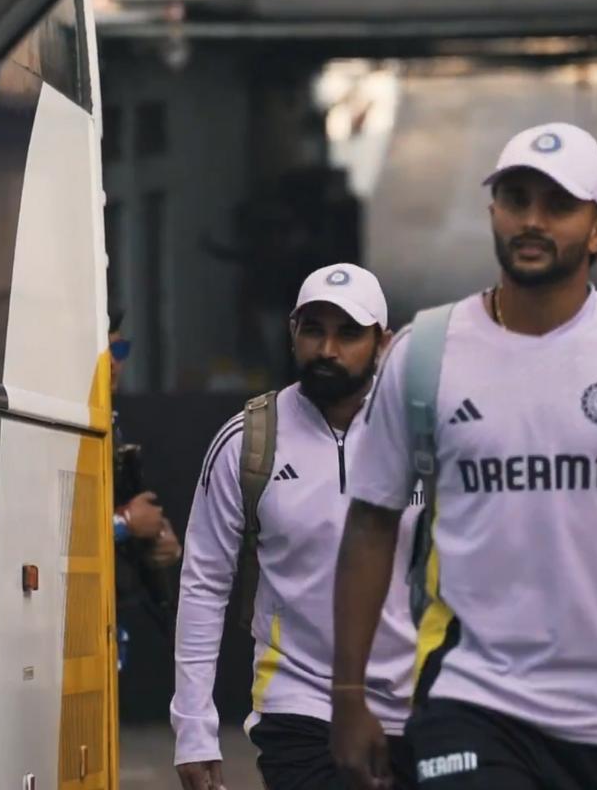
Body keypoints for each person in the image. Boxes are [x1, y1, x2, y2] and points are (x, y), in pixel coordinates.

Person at [331, 122, 597, 790]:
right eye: (516, 198)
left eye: (558, 205)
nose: (532, 220)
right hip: (467, 697)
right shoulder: (425, 354)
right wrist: (347, 692)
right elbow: (369, 524)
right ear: (493, 213)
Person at [172, 265, 423, 790]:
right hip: (301, 708)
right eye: (314, 330)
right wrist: (193, 727)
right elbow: (204, 583)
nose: (328, 349)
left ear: (384, 342)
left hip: (420, 707)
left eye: (349, 333)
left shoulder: (425, 438)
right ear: (293, 335)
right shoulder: (249, 441)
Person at [109, 310, 181, 670]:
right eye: (104, 350)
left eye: (119, 350)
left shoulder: (110, 425)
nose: (113, 363)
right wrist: (124, 523)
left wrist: (155, 539)